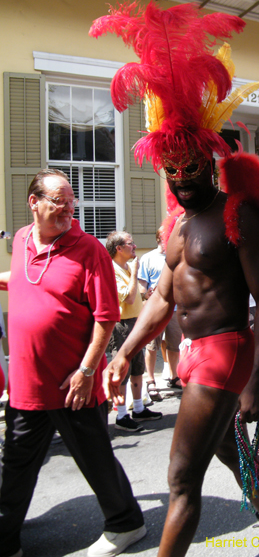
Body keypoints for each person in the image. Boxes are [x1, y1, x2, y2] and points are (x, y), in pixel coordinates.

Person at [91, 0, 259, 557]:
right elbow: (161, 297)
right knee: (233, 450)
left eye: (190, 168)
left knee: (181, 478)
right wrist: (126, 351)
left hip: (226, 352)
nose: (180, 180)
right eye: (171, 171)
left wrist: (257, 382)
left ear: (208, 155)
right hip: (193, 352)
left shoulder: (236, 213)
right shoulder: (177, 225)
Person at [0, 169, 145, 557]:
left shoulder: (89, 249)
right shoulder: (20, 240)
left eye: (71, 202)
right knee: (15, 464)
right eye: (58, 202)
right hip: (27, 382)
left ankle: (126, 524)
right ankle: (5, 538)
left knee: (95, 459)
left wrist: (86, 372)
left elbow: (106, 316)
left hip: (72, 383)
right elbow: (26, 278)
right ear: (34, 202)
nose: (68, 209)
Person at [106, 230, 163, 432]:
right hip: (121, 325)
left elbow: (136, 296)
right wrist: (136, 270)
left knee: (137, 367)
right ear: (118, 248)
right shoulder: (112, 270)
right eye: (130, 244)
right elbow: (128, 298)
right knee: (123, 370)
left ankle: (138, 408)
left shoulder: (127, 267)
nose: (135, 247)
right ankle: (122, 415)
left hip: (135, 321)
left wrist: (147, 294)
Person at [138, 228, 182, 393]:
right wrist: (146, 294)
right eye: (167, 237)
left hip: (175, 308)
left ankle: (174, 376)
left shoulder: (177, 257)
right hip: (155, 308)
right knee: (151, 345)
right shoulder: (148, 258)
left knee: (174, 345)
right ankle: (150, 380)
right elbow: (142, 286)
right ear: (160, 239)